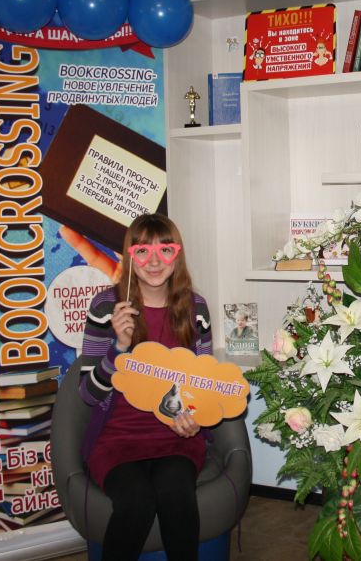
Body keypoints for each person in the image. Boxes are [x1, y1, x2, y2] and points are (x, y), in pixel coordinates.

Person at [78, 213, 213, 561]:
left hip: (176, 438)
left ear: (177, 255)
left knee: (176, 495)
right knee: (136, 503)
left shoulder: (196, 308)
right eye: (142, 251)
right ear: (129, 256)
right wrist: (118, 347)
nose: (154, 262)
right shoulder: (106, 307)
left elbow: (204, 388)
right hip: (117, 439)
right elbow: (88, 394)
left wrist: (195, 420)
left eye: (165, 250)